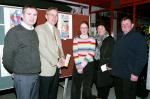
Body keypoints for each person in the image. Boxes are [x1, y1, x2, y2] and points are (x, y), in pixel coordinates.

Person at [2, 5, 41, 99]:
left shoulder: (34, 32)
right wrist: (16, 72)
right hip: (23, 77)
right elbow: (7, 59)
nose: (32, 17)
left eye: (35, 14)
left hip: (36, 74)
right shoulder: (14, 32)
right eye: (29, 14)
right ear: (22, 16)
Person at [111, 17, 148, 99]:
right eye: (122, 24)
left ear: (132, 25)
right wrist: (109, 66)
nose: (124, 26)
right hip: (118, 74)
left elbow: (142, 57)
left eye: (127, 24)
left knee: (128, 96)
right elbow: (116, 54)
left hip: (129, 75)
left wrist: (136, 73)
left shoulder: (137, 37)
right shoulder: (120, 36)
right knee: (119, 95)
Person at [35, 7, 65, 99]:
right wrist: (56, 62)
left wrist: (62, 57)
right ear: (46, 16)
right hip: (46, 68)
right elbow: (42, 48)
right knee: (44, 94)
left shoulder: (56, 30)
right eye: (52, 15)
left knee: (53, 93)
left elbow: (59, 47)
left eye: (56, 15)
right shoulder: (39, 28)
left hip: (57, 68)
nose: (54, 17)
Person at [71, 21, 96, 99]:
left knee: (87, 86)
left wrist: (82, 65)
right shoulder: (76, 39)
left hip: (89, 65)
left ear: (88, 29)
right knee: (75, 86)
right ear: (80, 29)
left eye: (85, 27)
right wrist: (79, 67)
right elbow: (75, 53)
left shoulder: (92, 39)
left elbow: (91, 52)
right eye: (82, 27)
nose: (84, 29)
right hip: (77, 63)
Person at [94, 25, 114, 99]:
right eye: (98, 28)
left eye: (101, 28)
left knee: (105, 84)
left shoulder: (110, 39)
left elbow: (114, 54)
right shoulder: (94, 39)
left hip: (105, 65)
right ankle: (99, 97)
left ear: (105, 30)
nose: (99, 30)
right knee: (98, 84)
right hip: (96, 65)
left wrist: (110, 65)